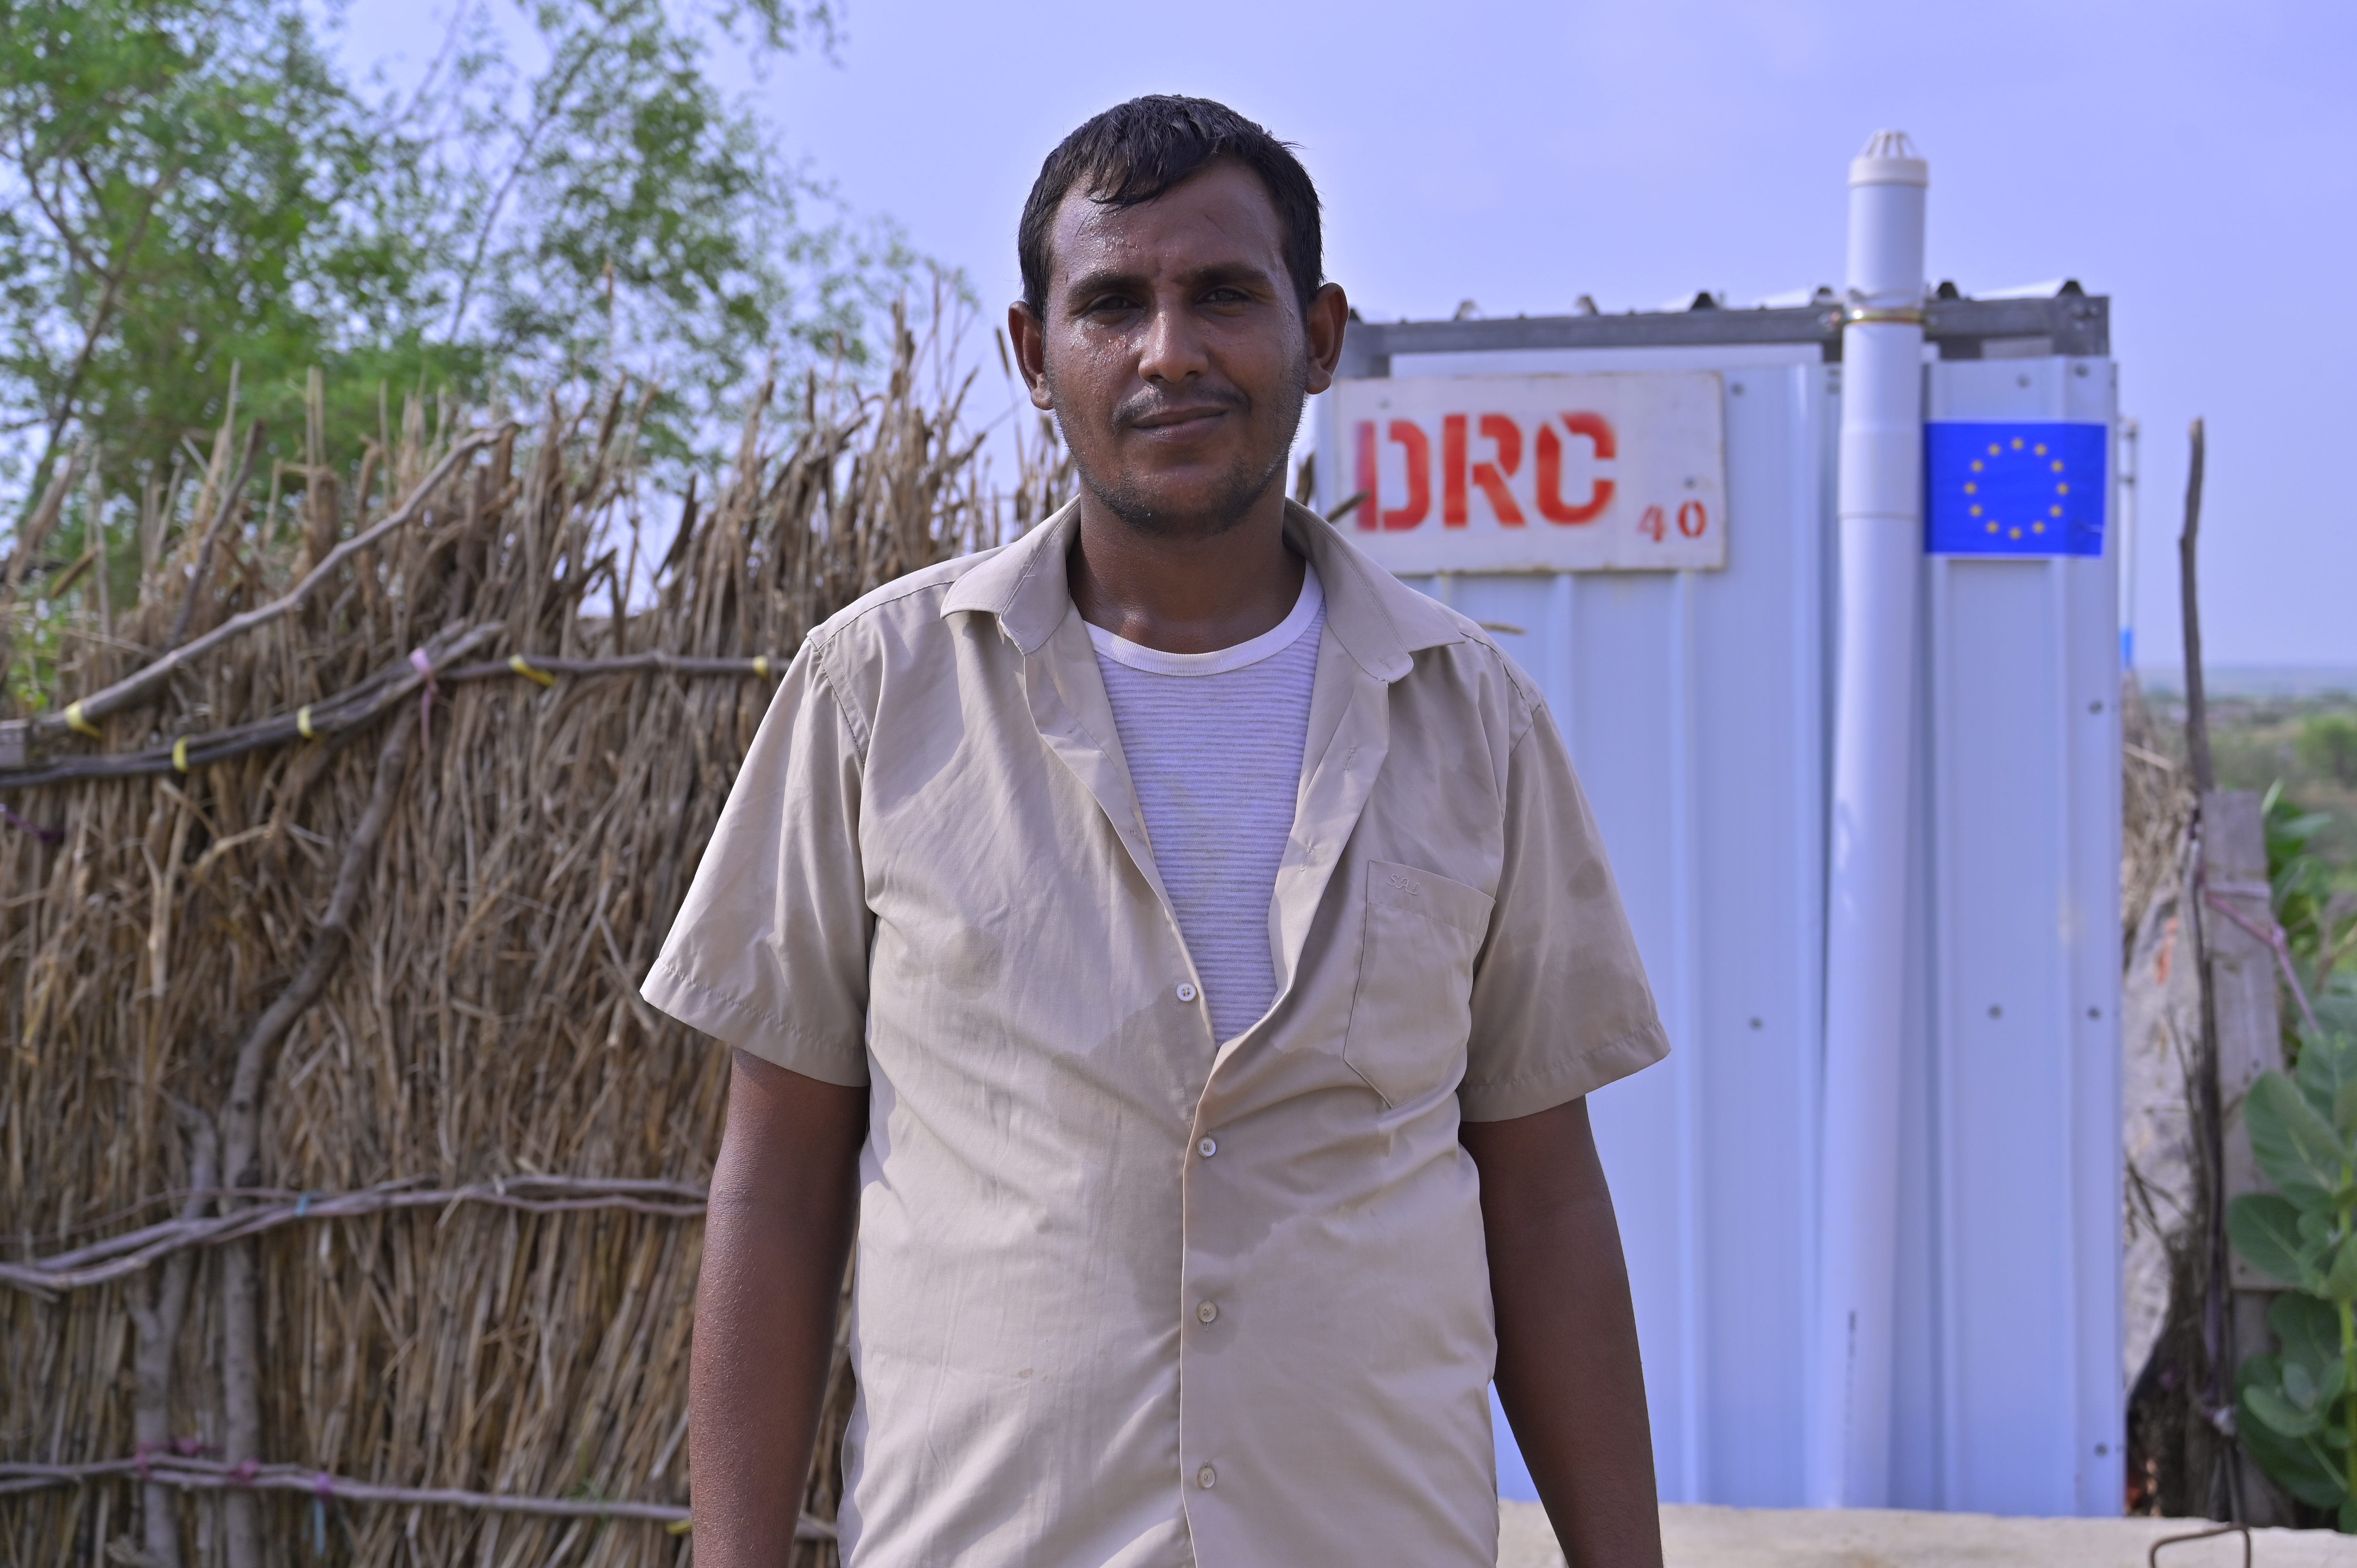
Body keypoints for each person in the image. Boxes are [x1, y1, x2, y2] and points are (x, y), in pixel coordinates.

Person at [644, 94, 1669, 1568]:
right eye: (1112, 303)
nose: (1168, 351)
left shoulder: (1472, 718)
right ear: (1033, 356)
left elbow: (1546, 1191)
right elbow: (779, 1180)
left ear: (1319, 338)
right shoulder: (877, 698)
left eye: (1224, 297)